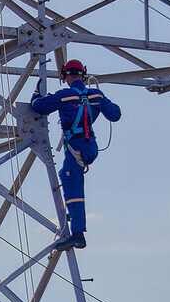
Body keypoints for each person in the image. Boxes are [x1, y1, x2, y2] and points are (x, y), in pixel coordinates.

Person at [31, 59, 121, 251]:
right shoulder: (95, 94)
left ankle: (78, 233)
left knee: (71, 180)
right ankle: (75, 220)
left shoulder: (65, 95)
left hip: (76, 147)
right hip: (89, 146)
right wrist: (103, 100)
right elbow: (115, 114)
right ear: (84, 74)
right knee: (69, 176)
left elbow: (38, 106)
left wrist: (36, 93)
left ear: (65, 76)